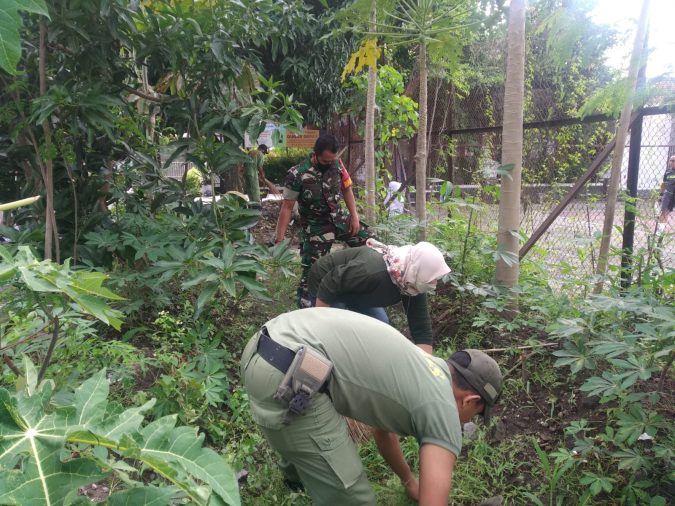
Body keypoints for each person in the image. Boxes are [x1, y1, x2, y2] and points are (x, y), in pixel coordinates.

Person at [240, 308, 503, 505]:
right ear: (470, 400)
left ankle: (296, 479)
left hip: (265, 342)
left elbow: (384, 433)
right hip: (289, 371)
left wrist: (410, 481)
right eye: (475, 415)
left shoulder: (423, 365)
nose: (466, 422)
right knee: (354, 496)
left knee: (307, 434)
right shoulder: (444, 407)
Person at [274, 133, 371, 307]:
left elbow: (347, 190)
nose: (330, 164)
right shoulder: (297, 174)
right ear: (315, 155)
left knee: (371, 243)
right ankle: (306, 311)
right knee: (312, 273)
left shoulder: (337, 164)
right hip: (316, 228)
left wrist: (355, 218)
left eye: (332, 160)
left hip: (340, 220)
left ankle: (357, 288)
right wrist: (280, 239)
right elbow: (287, 207)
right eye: (326, 161)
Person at [308, 238, 450, 353]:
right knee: (336, 337)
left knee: (380, 328)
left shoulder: (411, 283)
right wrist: (322, 327)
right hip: (326, 281)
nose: (435, 283)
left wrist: (426, 370)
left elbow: (422, 331)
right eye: (433, 278)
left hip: (358, 292)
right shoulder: (372, 271)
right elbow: (330, 283)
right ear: (417, 270)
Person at [657, 154, 675, 233]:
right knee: (664, 211)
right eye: (671, 160)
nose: (672, 162)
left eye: (674, 160)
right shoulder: (667, 172)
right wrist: (660, 194)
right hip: (668, 195)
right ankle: (661, 230)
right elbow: (663, 184)